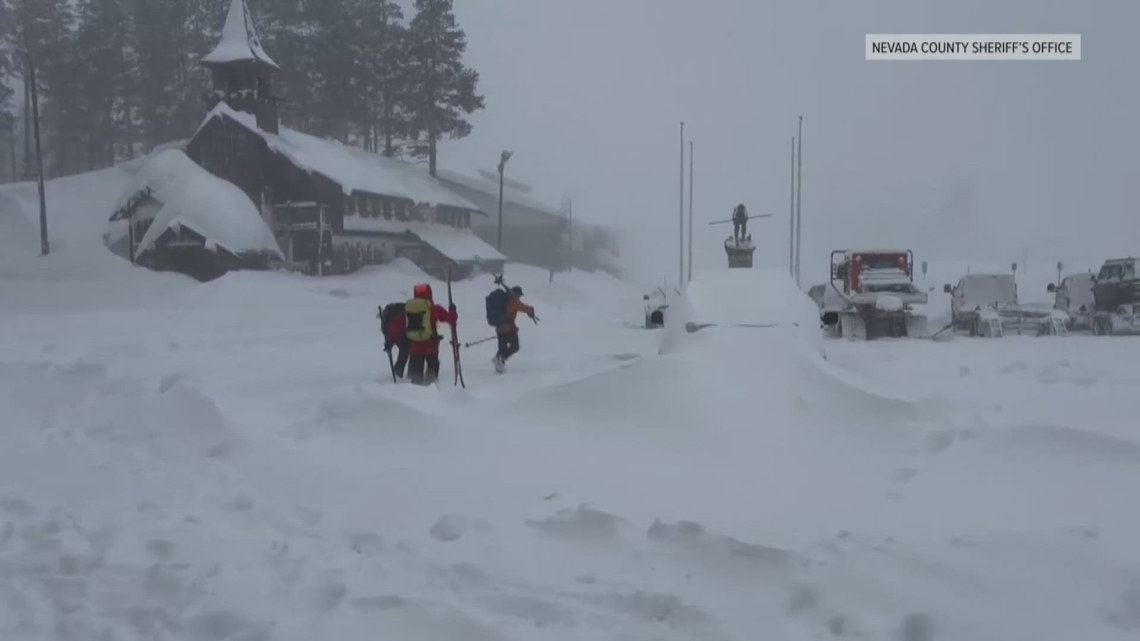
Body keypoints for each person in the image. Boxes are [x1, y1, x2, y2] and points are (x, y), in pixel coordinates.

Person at [404, 283, 458, 385]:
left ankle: (411, 395)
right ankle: (431, 392)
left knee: (413, 381)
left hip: (415, 347)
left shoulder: (409, 309)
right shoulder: (434, 309)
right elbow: (451, 319)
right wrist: (453, 311)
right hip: (431, 346)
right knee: (431, 376)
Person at [493, 286, 535, 373]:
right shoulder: (514, 301)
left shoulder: (504, 299)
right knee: (515, 346)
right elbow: (523, 307)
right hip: (509, 328)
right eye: (519, 295)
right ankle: (499, 358)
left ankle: (499, 361)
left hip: (499, 327)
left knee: (503, 348)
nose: (519, 297)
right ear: (517, 294)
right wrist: (531, 310)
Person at [379, 302, 409, 379]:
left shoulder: (387, 316)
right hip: (398, 333)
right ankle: (398, 372)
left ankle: (398, 372)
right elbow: (394, 330)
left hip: (393, 333)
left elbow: (386, 331)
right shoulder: (400, 315)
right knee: (405, 349)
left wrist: (388, 343)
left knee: (405, 349)